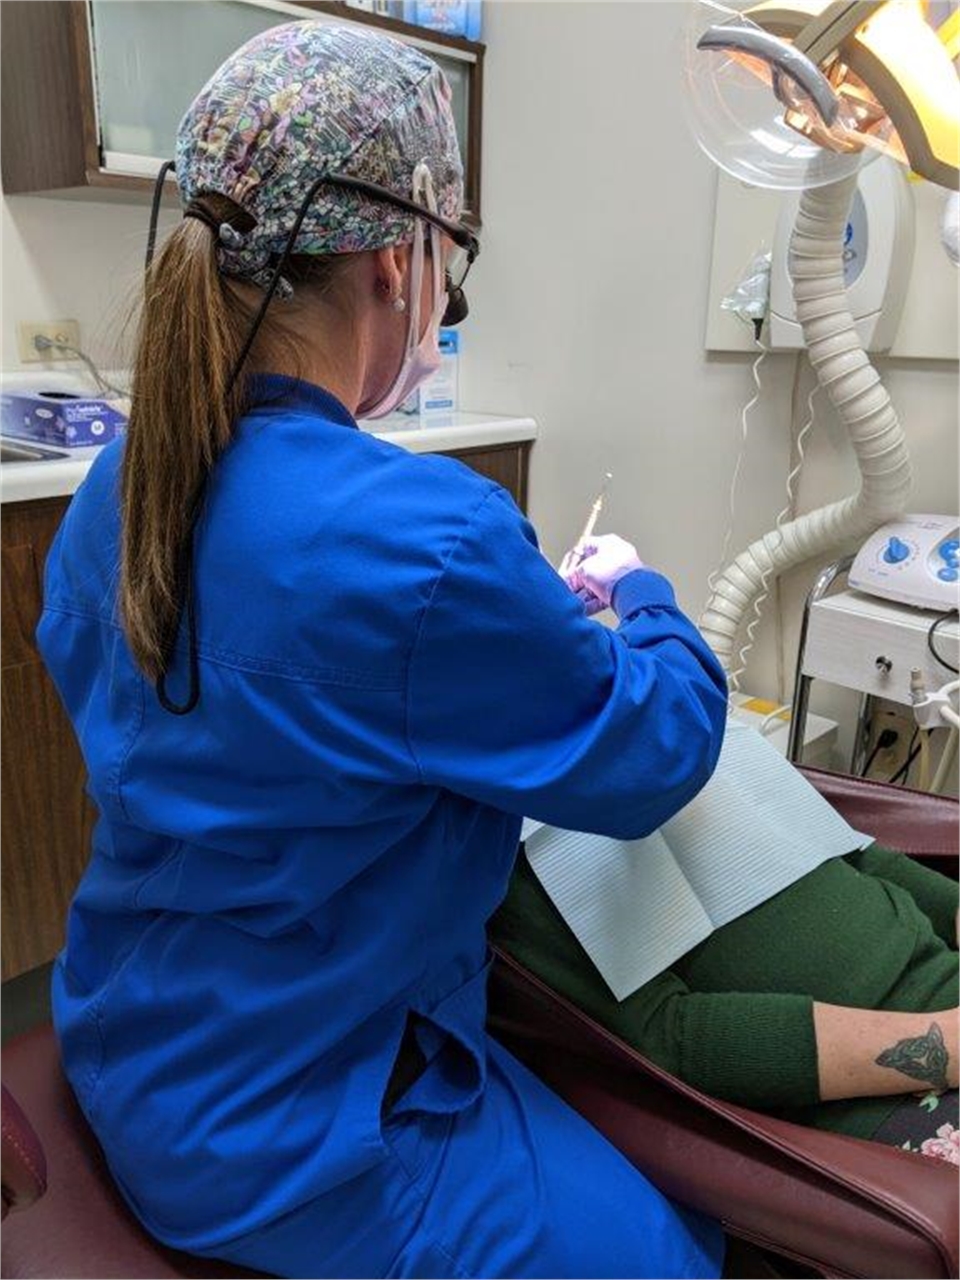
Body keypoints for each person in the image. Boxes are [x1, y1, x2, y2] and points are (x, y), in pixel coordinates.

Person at [36, 22, 730, 1279]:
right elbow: (652, 754)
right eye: (447, 270)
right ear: (398, 267)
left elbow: (272, 712)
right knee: (681, 1250)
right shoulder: (428, 535)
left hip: (132, 1037)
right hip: (294, 1130)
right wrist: (643, 595)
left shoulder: (118, 487)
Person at [491, 564, 960, 1171]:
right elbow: (672, 1039)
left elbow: (860, 858)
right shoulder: (516, 842)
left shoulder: (676, 719)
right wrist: (944, 1044)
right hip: (890, 1094)